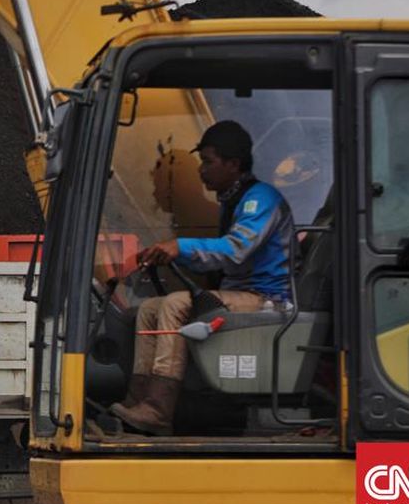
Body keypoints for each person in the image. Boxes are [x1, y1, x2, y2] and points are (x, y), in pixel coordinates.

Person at [110, 120, 293, 436]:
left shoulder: (260, 199)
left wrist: (179, 247)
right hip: (240, 294)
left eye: (208, 162)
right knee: (151, 308)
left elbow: (236, 249)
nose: (201, 170)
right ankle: (138, 399)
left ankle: (158, 409)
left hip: (265, 298)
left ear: (233, 164)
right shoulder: (232, 200)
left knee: (176, 304)